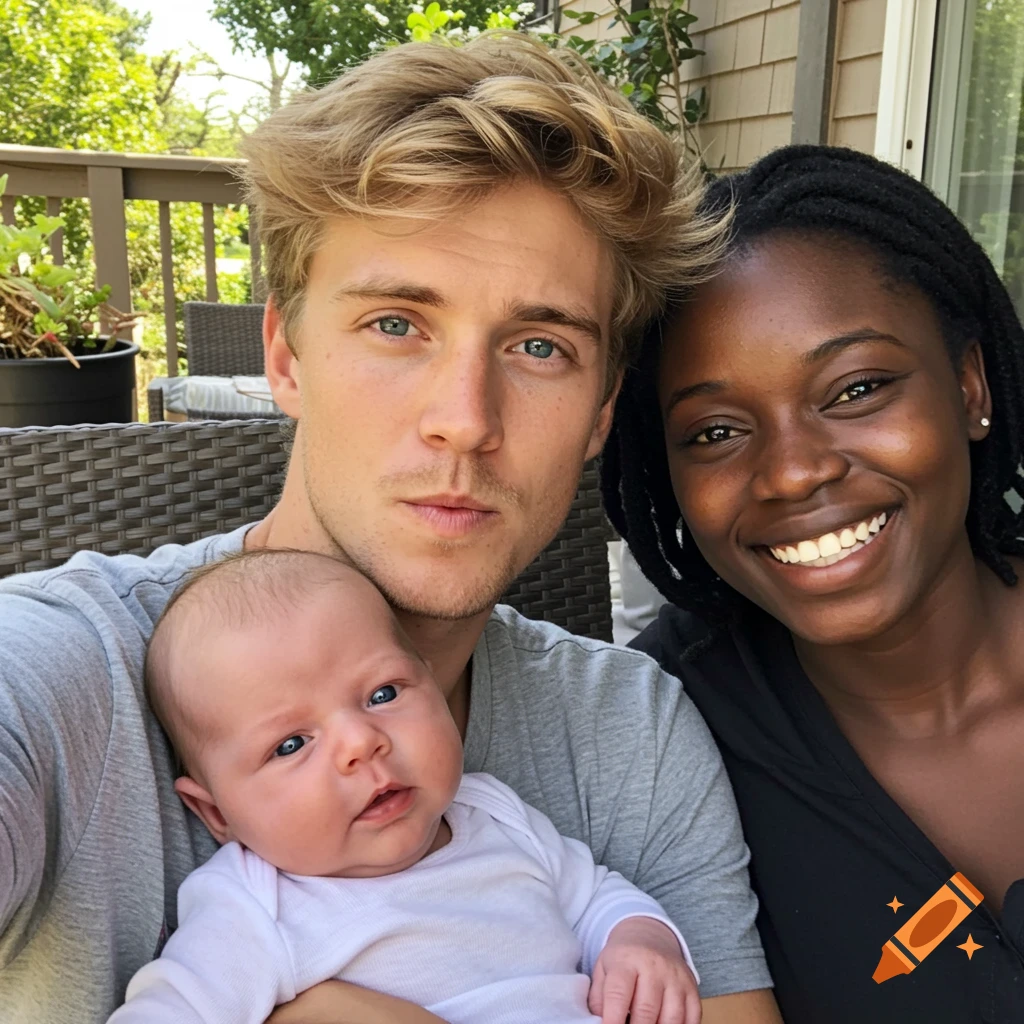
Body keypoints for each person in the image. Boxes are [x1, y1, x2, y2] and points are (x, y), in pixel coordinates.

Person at [0, 33, 780, 1024]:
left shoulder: (630, 733)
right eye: (397, 324)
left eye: (539, 345)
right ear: (285, 355)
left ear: (597, 415)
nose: (466, 416)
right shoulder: (63, 681)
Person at [601, 143, 1024, 1024]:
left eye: (857, 388)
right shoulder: (646, 743)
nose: (792, 474)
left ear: (971, 385)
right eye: (714, 433)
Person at [110, 549, 700, 1024]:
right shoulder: (256, 906)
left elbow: (595, 895)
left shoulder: (493, 814)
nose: (361, 743)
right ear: (217, 813)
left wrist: (640, 939)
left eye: (383, 694)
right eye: (291, 744)